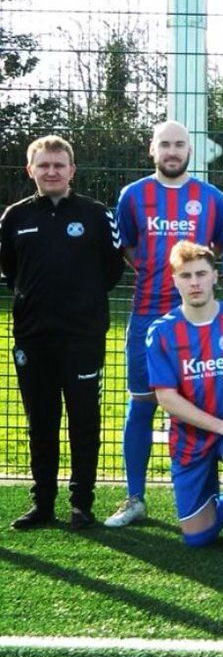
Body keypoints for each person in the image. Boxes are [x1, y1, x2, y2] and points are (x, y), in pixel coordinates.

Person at [107, 121, 223, 528]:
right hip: (148, 313)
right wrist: (155, 273)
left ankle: (214, 496)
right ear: (153, 150)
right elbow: (128, 247)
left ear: (190, 150)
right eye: (165, 145)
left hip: (200, 320)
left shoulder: (212, 198)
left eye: (179, 144)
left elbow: (216, 249)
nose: (172, 151)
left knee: (206, 403)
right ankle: (135, 497)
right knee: (142, 402)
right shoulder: (133, 195)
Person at [1, 135, 124, 530]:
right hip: (33, 338)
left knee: (84, 421)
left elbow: (112, 270)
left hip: (83, 338)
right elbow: (10, 272)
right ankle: (43, 504)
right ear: (30, 170)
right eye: (44, 165)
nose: (51, 171)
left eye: (59, 165)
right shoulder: (14, 218)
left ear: (72, 170)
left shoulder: (96, 214)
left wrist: (80, 303)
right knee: (41, 421)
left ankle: (81, 504)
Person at [145, 242, 223, 563]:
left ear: (215, 276)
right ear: (174, 280)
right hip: (191, 438)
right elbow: (166, 397)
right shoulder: (162, 332)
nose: (195, 282)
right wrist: (220, 425)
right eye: (186, 275)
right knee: (198, 539)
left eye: (201, 274)